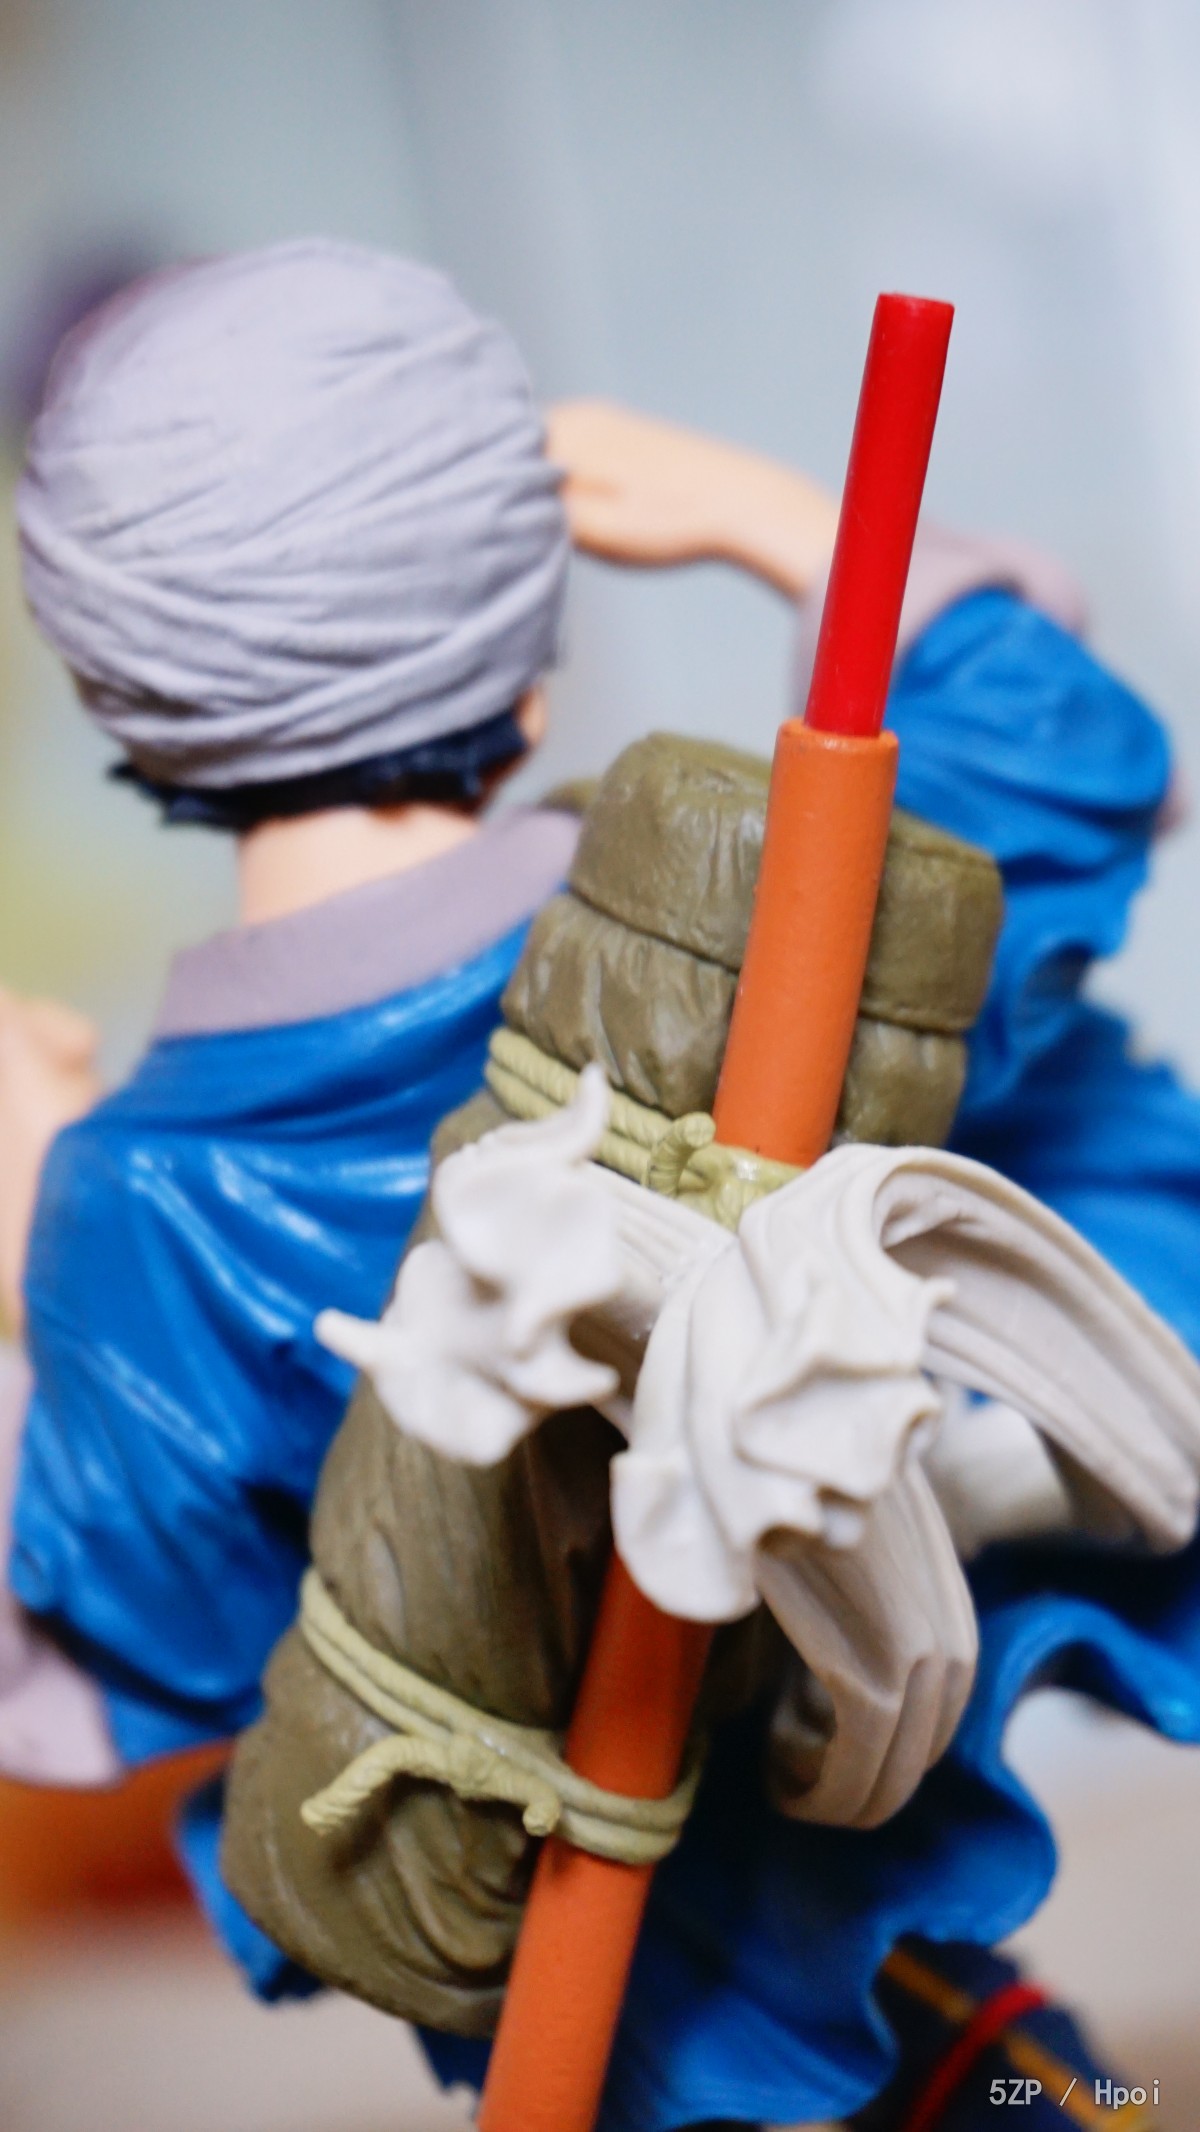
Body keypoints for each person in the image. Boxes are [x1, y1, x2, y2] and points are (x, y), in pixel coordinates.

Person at [2, 246, 1193, 2128]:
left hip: (618, 2011)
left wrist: (27, 1248)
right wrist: (765, 518)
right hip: (901, 1966)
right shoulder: (799, 923)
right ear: (528, 667)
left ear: (127, 709)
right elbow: (1067, 761)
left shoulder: (144, 1201)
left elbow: (133, 1642)